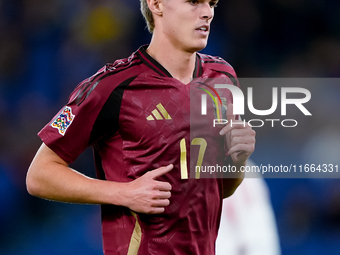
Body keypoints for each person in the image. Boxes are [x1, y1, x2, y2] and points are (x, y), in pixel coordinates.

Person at [26, 0, 256, 254]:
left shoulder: (222, 77)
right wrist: (125, 193)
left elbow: (219, 190)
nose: (207, 13)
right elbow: (39, 175)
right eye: (193, 2)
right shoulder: (112, 86)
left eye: (211, 3)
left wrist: (238, 160)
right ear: (156, 4)